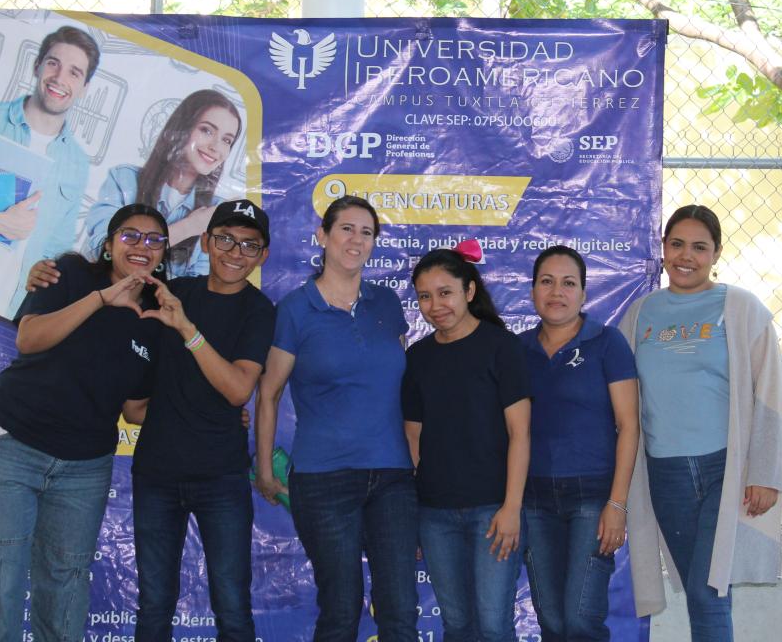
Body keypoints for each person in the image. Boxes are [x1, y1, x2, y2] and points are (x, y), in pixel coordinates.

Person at [0, 203, 169, 642]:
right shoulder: (69, 274)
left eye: (154, 240)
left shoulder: (156, 319)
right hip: (7, 446)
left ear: (164, 254)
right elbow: (29, 337)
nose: (141, 246)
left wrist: (208, 412)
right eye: (130, 235)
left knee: (66, 584)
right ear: (108, 245)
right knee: (0, 578)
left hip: (84, 468)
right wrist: (100, 300)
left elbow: (134, 408)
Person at [621, 205, 782, 642]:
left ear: (716, 253)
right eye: (677, 244)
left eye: (699, 247)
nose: (686, 256)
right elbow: (620, 399)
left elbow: (771, 396)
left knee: (707, 590)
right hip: (665, 474)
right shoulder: (640, 314)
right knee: (701, 594)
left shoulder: (741, 308)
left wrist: (765, 473)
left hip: (725, 471)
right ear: (663, 248)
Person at [256, 195, 417, 642]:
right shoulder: (295, 309)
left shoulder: (387, 304)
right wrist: (265, 470)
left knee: (400, 612)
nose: (356, 240)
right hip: (324, 479)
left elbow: (403, 387)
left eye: (366, 232)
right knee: (341, 610)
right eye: (346, 228)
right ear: (322, 236)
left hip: (393, 477)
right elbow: (268, 393)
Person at [124, 199, 276, 642]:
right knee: (154, 603)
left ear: (263, 255)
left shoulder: (259, 311)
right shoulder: (173, 293)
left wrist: (188, 330)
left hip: (220, 477)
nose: (235, 252)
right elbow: (115, 282)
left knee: (232, 605)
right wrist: (51, 272)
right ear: (206, 242)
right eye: (225, 239)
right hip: (157, 473)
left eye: (249, 244)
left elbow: (238, 390)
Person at [401, 246, 531, 642]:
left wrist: (511, 508)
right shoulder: (418, 358)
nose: (435, 305)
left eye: (445, 292)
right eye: (425, 296)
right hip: (435, 514)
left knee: (493, 626)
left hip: (493, 511)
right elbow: (413, 437)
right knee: (456, 625)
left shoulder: (502, 347)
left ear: (469, 291)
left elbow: (520, 434)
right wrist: (416, 512)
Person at [520, 245, 639, 642]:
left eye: (568, 283)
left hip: (592, 499)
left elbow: (629, 425)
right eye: (547, 282)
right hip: (533, 501)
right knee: (553, 624)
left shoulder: (607, 343)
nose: (557, 292)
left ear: (584, 294)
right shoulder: (516, 350)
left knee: (580, 621)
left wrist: (617, 504)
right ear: (533, 291)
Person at [0, 25, 98, 318]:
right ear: (37, 65)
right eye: (53, 63)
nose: (60, 78)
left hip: (18, 312)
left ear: (84, 88)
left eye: (74, 73)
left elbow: (57, 252)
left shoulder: (77, 163)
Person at [83, 89, 242, 279]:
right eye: (206, 130)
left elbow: (197, 287)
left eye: (226, 140)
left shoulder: (215, 211)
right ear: (181, 129)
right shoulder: (124, 180)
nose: (216, 147)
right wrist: (189, 227)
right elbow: (101, 251)